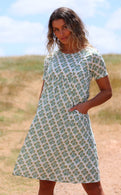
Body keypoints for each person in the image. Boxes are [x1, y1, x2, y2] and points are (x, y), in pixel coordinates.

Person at [12, 7, 112, 195]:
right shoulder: (51, 58)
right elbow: (45, 91)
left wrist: (87, 105)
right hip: (48, 125)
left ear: (74, 25)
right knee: (46, 183)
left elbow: (107, 91)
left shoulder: (91, 56)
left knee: (91, 182)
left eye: (64, 27)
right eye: (56, 30)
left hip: (75, 124)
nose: (61, 33)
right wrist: (40, 116)